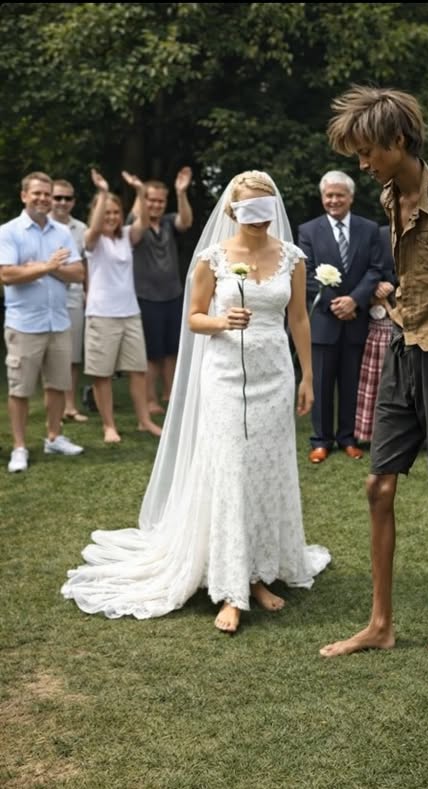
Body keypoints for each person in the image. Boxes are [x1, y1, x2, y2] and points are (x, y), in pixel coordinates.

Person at [62, 170, 330, 633]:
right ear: (232, 211)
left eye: (267, 208)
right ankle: (229, 588)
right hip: (225, 376)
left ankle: (259, 573)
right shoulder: (212, 258)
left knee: (267, 472)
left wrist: (307, 375)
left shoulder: (292, 257)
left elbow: (300, 319)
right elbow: (194, 318)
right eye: (250, 210)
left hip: (275, 375)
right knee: (231, 471)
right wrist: (223, 322)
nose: (260, 218)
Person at [319, 85, 428, 657]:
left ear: (398, 140)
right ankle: (380, 624)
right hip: (401, 351)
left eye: (368, 152)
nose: (363, 165)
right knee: (378, 484)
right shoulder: (390, 197)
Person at [0, 171, 85, 473]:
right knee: (20, 390)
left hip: (58, 322)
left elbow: (78, 274)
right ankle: (19, 447)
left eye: (47, 194)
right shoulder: (9, 232)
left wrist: (44, 268)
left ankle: (54, 437)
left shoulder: (61, 232)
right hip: (24, 324)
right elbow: (6, 274)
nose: (43, 198)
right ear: (24, 195)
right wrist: (50, 266)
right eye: (37, 193)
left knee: (58, 385)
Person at [298, 170, 384, 464]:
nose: (333, 200)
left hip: (356, 318)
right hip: (324, 320)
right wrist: (335, 303)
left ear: (351, 197)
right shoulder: (308, 231)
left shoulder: (369, 229)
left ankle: (348, 437)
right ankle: (321, 440)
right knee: (321, 384)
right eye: (328, 195)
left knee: (351, 382)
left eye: (339, 195)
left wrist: (354, 300)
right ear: (322, 197)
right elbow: (306, 273)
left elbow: (375, 269)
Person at [83, 169, 162, 443]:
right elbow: (95, 228)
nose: (112, 217)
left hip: (130, 313)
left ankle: (144, 421)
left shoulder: (127, 236)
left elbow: (142, 220)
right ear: (97, 214)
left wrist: (140, 190)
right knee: (102, 374)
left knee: (138, 370)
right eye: (106, 212)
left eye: (116, 212)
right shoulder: (92, 240)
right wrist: (104, 192)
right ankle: (109, 426)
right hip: (101, 315)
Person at [130, 168, 193, 414]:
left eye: (160, 201)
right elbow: (136, 227)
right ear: (143, 200)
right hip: (146, 297)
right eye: (151, 200)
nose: (156, 205)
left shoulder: (167, 222)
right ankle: (149, 400)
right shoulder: (135, 223)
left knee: (172, 351)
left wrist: (181, 192)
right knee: (151, 354)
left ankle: (170, 395)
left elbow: (185, 222)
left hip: (172, 295)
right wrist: (139, 192)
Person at [50, 178, 89, 423]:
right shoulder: (41, 226)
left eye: (67, 198)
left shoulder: (81, 228)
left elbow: (85, 266)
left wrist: (88, 292)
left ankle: (70, 406)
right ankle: (53, 408)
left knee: (72, 355)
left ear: (73, 201)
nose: (62, 202)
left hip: (74, 295)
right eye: (58, 197)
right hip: (46, 296)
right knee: (49, 354)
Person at [354, 225, 396, 444]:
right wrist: (376, 286)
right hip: (380, 321)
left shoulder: (425, 232)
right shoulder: (378, 234)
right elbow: (363, 269)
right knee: (376, 380)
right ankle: (371, 433)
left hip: (413, 316)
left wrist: (394, 288)